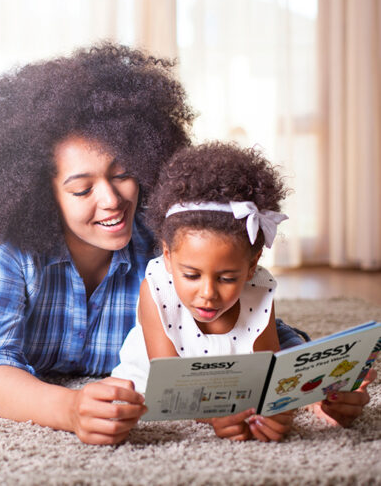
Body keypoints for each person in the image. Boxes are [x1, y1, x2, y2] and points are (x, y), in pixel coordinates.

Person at [0, 43, 306, 445]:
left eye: (122, 174)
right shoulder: (4, 243)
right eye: (83, 189)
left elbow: (257, 323)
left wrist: (320, 386)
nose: (112, 200)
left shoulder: (168, 243)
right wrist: (69, 409)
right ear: (41, 193)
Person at [112, 142, 376, 441]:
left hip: (233, 380)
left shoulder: (258, 289)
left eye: (226, 278)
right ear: (168, 257)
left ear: (252, 267)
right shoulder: (155, 286)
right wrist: (215, 415)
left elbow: (269, 374)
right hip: (158, 384)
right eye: (191, 275)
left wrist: (274, 412)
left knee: (301, 360)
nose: (208, 293)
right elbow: (173, 387)